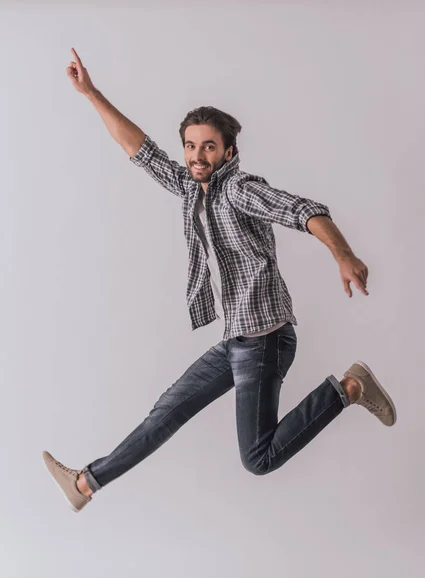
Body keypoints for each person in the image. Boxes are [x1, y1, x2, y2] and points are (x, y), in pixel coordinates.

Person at [43, 48, 397, 513]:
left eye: (208, 146)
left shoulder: (241, 189)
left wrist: (344, 254)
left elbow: (304, 210)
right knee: (164, 416)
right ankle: (86, 484)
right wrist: (91, 93)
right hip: (234, 342)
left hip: (265, 341)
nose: (197, 155)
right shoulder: (193, 187)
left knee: (258, 458)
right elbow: (137, 148)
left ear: (229, 151)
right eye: (190, 146)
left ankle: (347, 389)